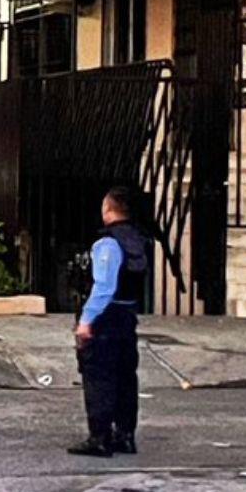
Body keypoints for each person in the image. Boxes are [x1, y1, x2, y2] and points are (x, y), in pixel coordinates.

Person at [69, 187, 150, 458]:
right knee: (125, 376)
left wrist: (86, 320)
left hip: (106, 316)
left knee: (98, 376)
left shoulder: (107, 243)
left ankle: (99, 437)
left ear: (108, 210)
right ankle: (125, 434)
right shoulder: (138, 240)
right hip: (128, 315)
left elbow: (104, 286)